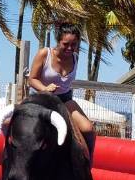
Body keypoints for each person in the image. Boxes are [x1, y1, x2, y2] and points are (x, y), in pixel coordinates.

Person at [27, 23, 96, 162]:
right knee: (15, 124)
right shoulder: (44, 54)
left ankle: (87, 165)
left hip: (65, 100)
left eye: (74, 44)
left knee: (88, 129)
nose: (70, 48)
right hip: (43, 99)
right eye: (66, 44)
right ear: (58, 41)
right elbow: (32, 79)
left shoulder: (75, 57)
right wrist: (44, 88)